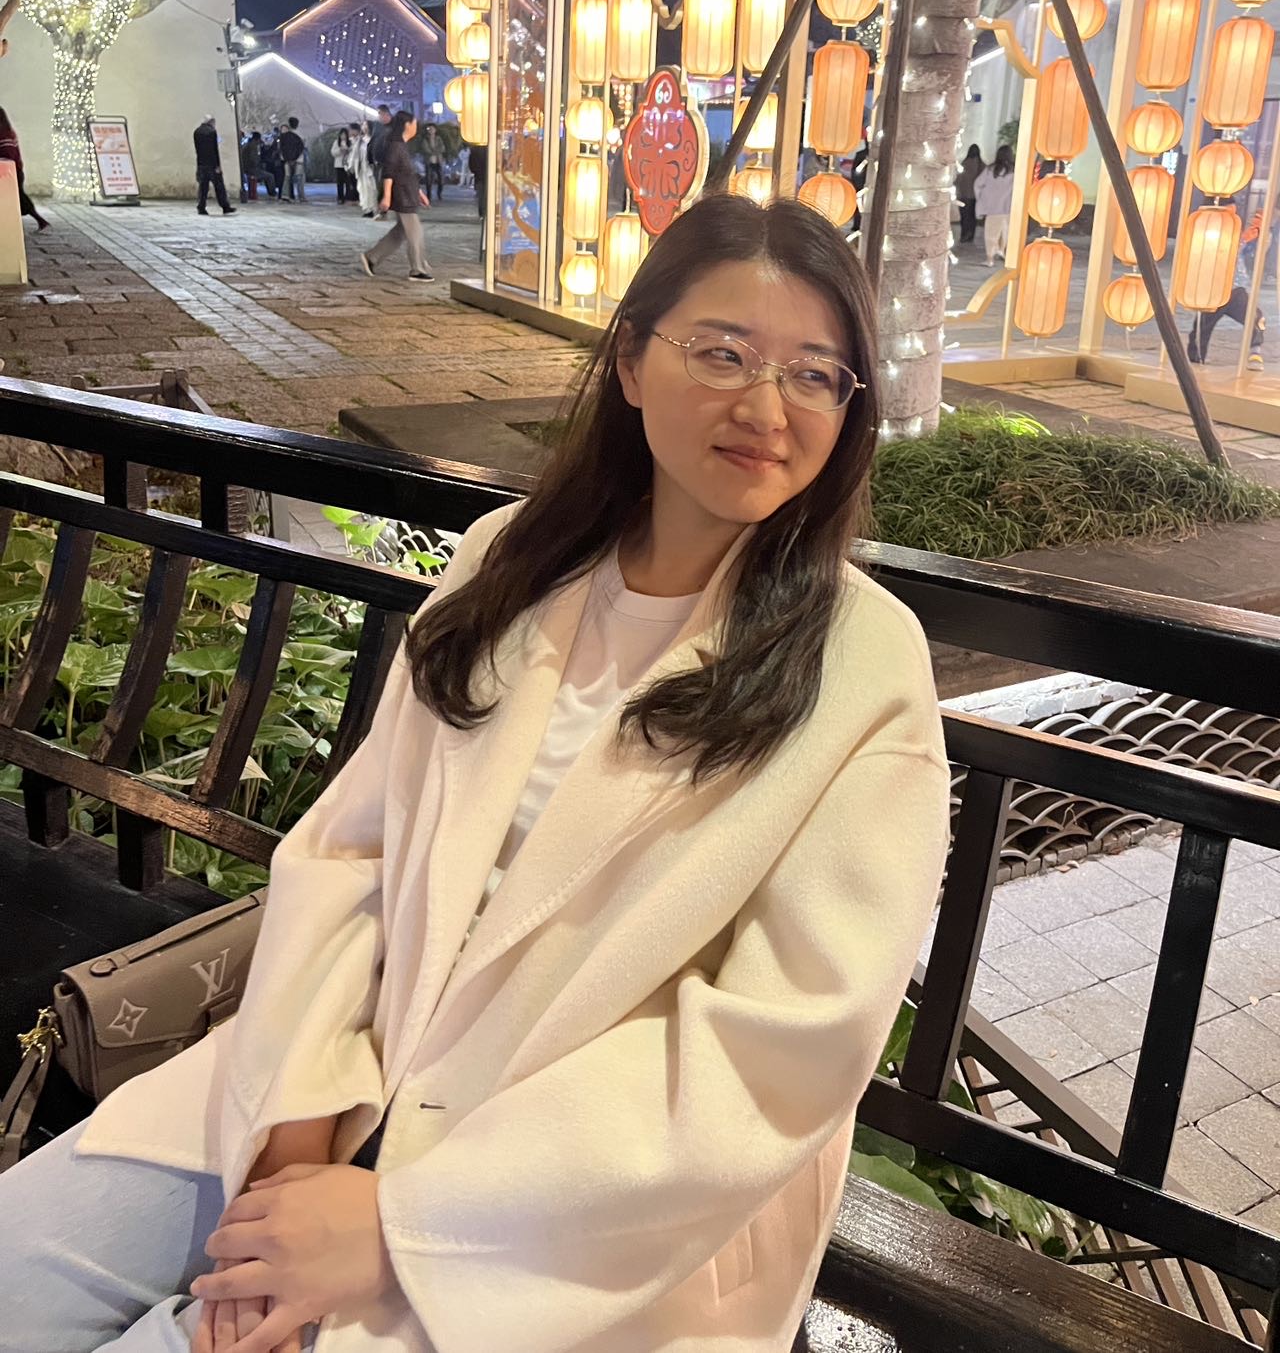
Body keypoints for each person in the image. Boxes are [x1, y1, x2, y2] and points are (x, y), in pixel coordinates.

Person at [0, 194, 948, 1353]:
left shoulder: (860, 662)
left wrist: (396, 1222)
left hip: (558, 1219)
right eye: (722, 352)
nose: (765, 406)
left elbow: (774, 1052)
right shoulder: (513, 562)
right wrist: (293, 1129)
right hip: (334, 1073)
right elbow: (353, 854)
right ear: (632, 360)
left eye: (813, 374)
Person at [1188, 211, 1268, 370]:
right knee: (1202, 328)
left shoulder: (1253, 238)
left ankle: (1255, 352)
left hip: (1236, 290)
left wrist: (1256, 237)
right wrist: (1244, 239)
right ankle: (1196, 360)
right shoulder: (1218, 232)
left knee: (1256, 318)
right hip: (1216, 290)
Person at [360, 109, 434, 280]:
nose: (416, 126)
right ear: (407, 125)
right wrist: (386, 196)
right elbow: (389, 172)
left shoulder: (401, 144)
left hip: (408, 192)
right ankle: (417, 269)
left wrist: (419, 192)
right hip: (402, 195)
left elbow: (406, 172)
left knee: (401, 232)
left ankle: (372, 257)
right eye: (414, 123)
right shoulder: (395, 145)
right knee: (415, 232)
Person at [0, 108, 48, 230]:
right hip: (13, 172)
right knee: (17, 198)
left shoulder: (4, 135)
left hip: (11, 173)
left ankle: (39, 220)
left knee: (19, 198)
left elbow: (8, 155)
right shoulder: (7, 132)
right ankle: (39, 220)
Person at [974, 142, 1015, 265]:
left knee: (991, 233)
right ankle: (1002, 250)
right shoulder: (1015, 171)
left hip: (992, 208)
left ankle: (990, 258)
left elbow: (977, 184)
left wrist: (981, 199)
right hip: (1008, 207)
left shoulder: (990, 170)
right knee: (1005, 231)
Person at [193, 115, 234, 216]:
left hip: (201, 163)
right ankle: (225, 206)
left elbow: (197, 149)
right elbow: (214, 150)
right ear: (211, 122)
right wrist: (217, 165)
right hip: (212, 164)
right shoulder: (212, 132)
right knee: (219, 186)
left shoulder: (197, 131)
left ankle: (201, 207)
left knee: (203, 187)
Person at [954, 143, 984, 245]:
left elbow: (957, 180)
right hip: (975, 196)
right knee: (972, 217)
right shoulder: (982, 165)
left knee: (964, 217)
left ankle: (964, 235)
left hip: (963, 195)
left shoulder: (964, 164)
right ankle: (971, 236)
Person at [352, 119, 379, 218]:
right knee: (362, 188)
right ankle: (366, 208)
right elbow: (355, 154)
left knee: (371, 188)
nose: (364, 127)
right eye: (363, 125)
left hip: (370, 168)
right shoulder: (360, 140)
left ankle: (374, 208)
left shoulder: (373, 140)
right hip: (361, 168)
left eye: (365, 125)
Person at [279, 119, 306, 202]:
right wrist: (295, 158)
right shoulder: (301, 135)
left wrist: (288, 159)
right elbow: (302, 148)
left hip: (287, 160)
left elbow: (282, 149)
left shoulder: (284, 136)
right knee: (299, 178)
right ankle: (301, 196)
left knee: (287, 177)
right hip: (299, 160)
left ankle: (285, 195)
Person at [421, 122, 446, 202]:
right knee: (428, 180)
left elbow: (442, 148)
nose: (431, 130)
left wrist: (435, 152)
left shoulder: (438, 139)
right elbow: (425, 149)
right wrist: (434, 152)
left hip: (438, 161)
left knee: (441, 179)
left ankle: (439, 194)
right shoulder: (425, 139)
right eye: (429, 129)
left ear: (435, 130)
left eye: (432, 129)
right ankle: (429, 195)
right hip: (429, 162)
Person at [332, 128, 353, 204]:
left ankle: (347, 197)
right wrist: (340, 150)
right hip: (339, 165)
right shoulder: (336, 142)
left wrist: (348, 150)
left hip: (347, 165)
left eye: (344, 135)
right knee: (339, 182)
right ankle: (340, 197)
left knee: (348, 182)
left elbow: (352, 152)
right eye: (342, 135)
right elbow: (333, 152)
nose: (343, 136)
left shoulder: (350, 142)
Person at [259, 131, 283, 200]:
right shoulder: (265, 145)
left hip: (272, 163)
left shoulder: (275, 144)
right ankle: (272, 192)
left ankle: (273, 192)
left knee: (273, 177)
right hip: (270, 163)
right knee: (271, 177)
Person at [469, 138, 488, 217]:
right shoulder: (491, 149)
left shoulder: (474, 150)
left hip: (479, 176)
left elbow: (471, 165)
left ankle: (482, 213)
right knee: (485, 195)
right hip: (486, 176)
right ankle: (485, 212)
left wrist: (475, 171)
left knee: (481, 196)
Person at [240, 130, 261, 202]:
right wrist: (257, 164)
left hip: (246, 166)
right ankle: (253, 194)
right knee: (270, 177)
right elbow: (253, 158)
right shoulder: (253, 146)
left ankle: (251, 194)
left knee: (251, 178)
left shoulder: (248, 144)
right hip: (250, 167)